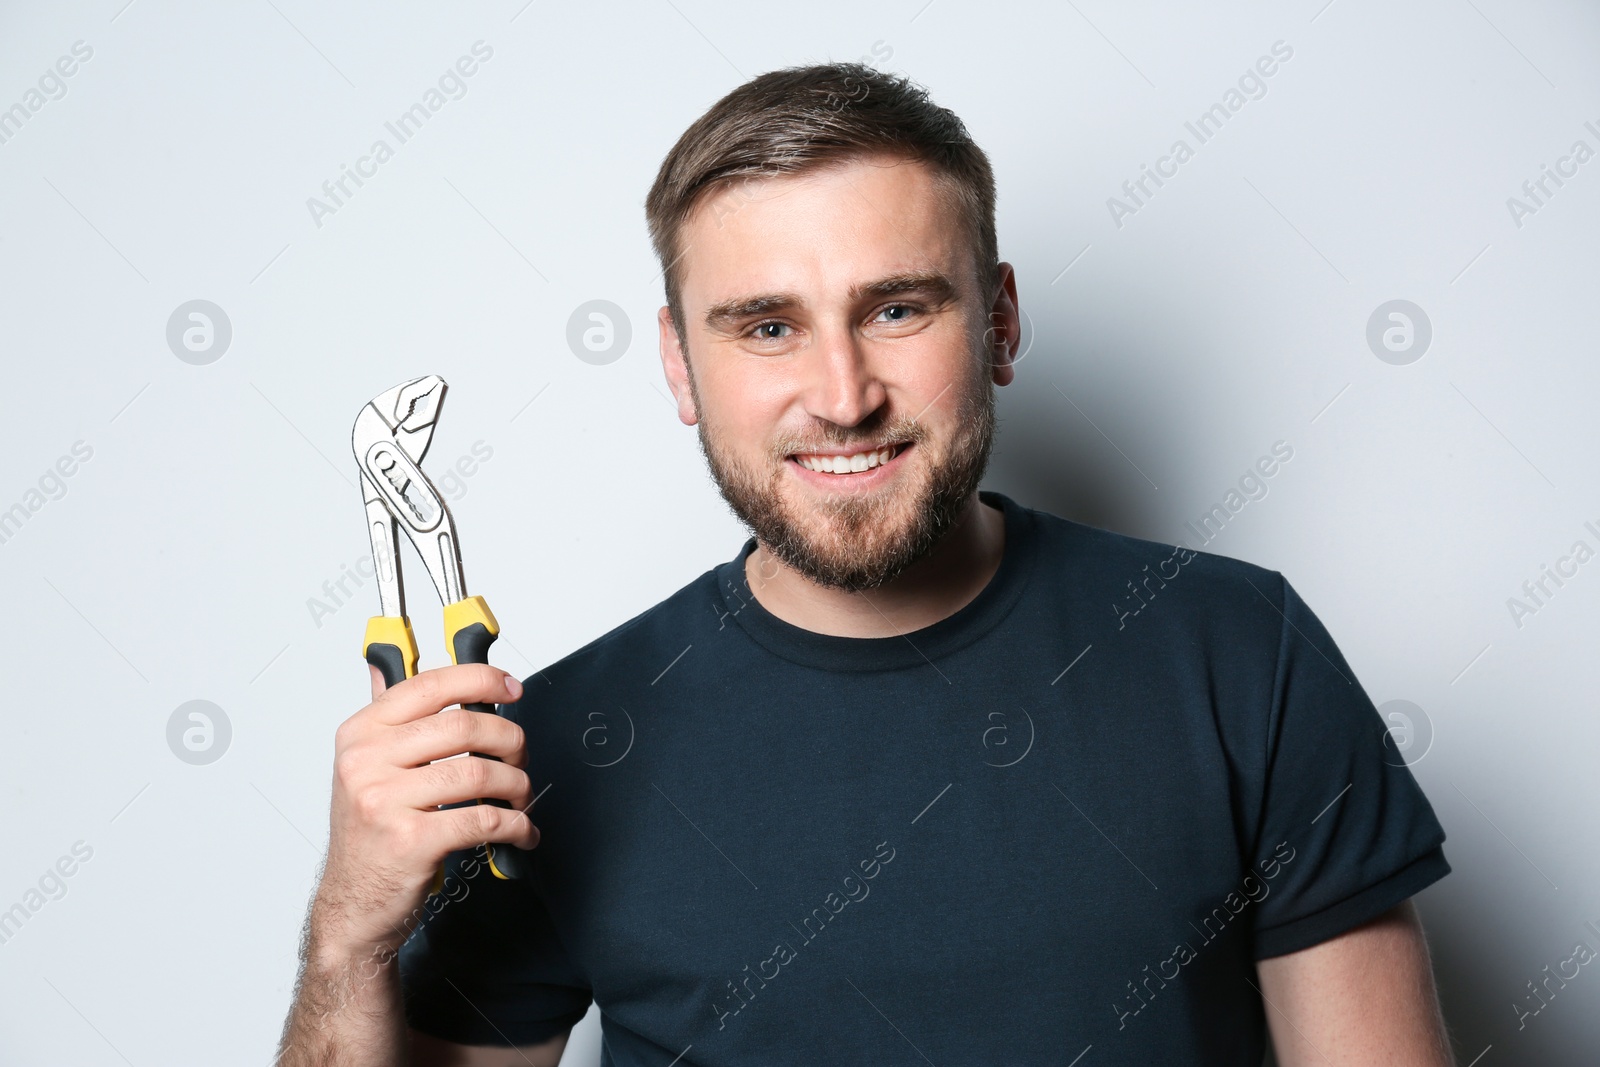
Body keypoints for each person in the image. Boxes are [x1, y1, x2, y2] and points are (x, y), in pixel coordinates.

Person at [277, 63, 1455, 1066]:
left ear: (997, 321)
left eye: (896, 308)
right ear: (680, 367)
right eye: (767, 326)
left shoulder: (1239, 654)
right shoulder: (549, 751)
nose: (842, 398)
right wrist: (349, 929)